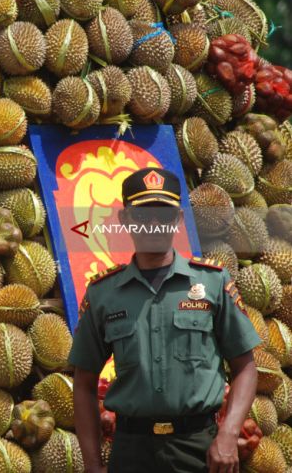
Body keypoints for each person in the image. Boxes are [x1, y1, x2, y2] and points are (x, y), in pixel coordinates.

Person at [69, 168, 260, 473]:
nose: (154, 225)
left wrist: (228, 434)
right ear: (125, 220)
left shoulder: (212, 282)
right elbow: (84, 384)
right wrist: (92, 465)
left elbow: (245, 367)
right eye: (143, 216)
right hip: (131, 449)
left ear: (179, 220)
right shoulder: (104, 293)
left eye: (165, 215)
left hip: (198, 447)